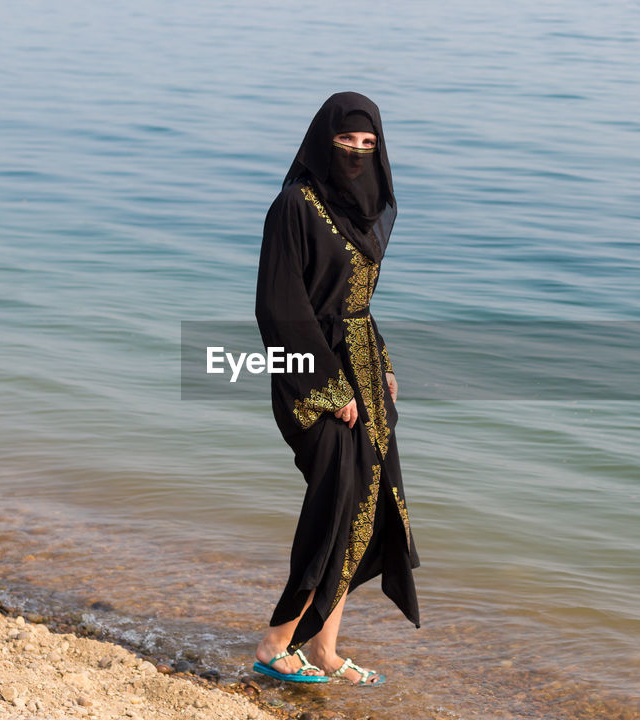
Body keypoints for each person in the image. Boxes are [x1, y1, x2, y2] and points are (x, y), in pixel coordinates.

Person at [252, 91, 420, 686]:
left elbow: (357, 306)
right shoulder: (293, 207)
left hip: (364, 373)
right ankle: (277, 642)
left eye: (368, 145)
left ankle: (323, 648)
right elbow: (279, 306)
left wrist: (382, 365)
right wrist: (329, 386)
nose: (355, 153)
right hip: (309, 375)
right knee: (334, 501)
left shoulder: (362, 212)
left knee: (363, 509)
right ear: (324, 140)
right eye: (346, 142)